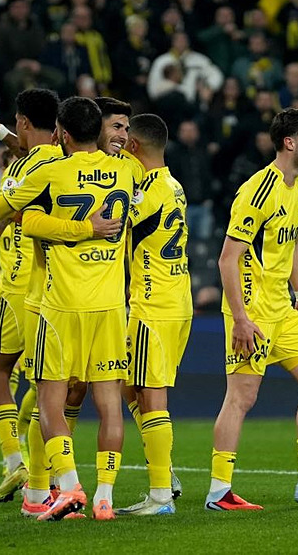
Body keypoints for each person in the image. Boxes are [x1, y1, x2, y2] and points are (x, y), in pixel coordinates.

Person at [205, 108, 298, 511]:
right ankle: (219, 492)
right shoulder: (257, 191)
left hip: (282, 307)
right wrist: (240, 318)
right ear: (290, 142)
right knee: (242, 397)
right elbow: (227, 259)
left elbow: (295, 243)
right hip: (252, 310)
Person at [0, 97, 138, 521]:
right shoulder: (128, 171)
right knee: (110, 403)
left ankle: (71, 485)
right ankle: (105, 498)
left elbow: (15, 214)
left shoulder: (51, 172)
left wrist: (79, 228)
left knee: (50, 401)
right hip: (110, 306)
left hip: (61, 306)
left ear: (60, 133)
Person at [113, 114, 192, 516]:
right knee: (128, 385)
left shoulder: (148, 194)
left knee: (150, 394)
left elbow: (112, 226)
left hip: (153, 305)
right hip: (176, 300)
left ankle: (160, 495)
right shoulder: (173, 185)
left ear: (133, 147)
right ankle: (167, 472)